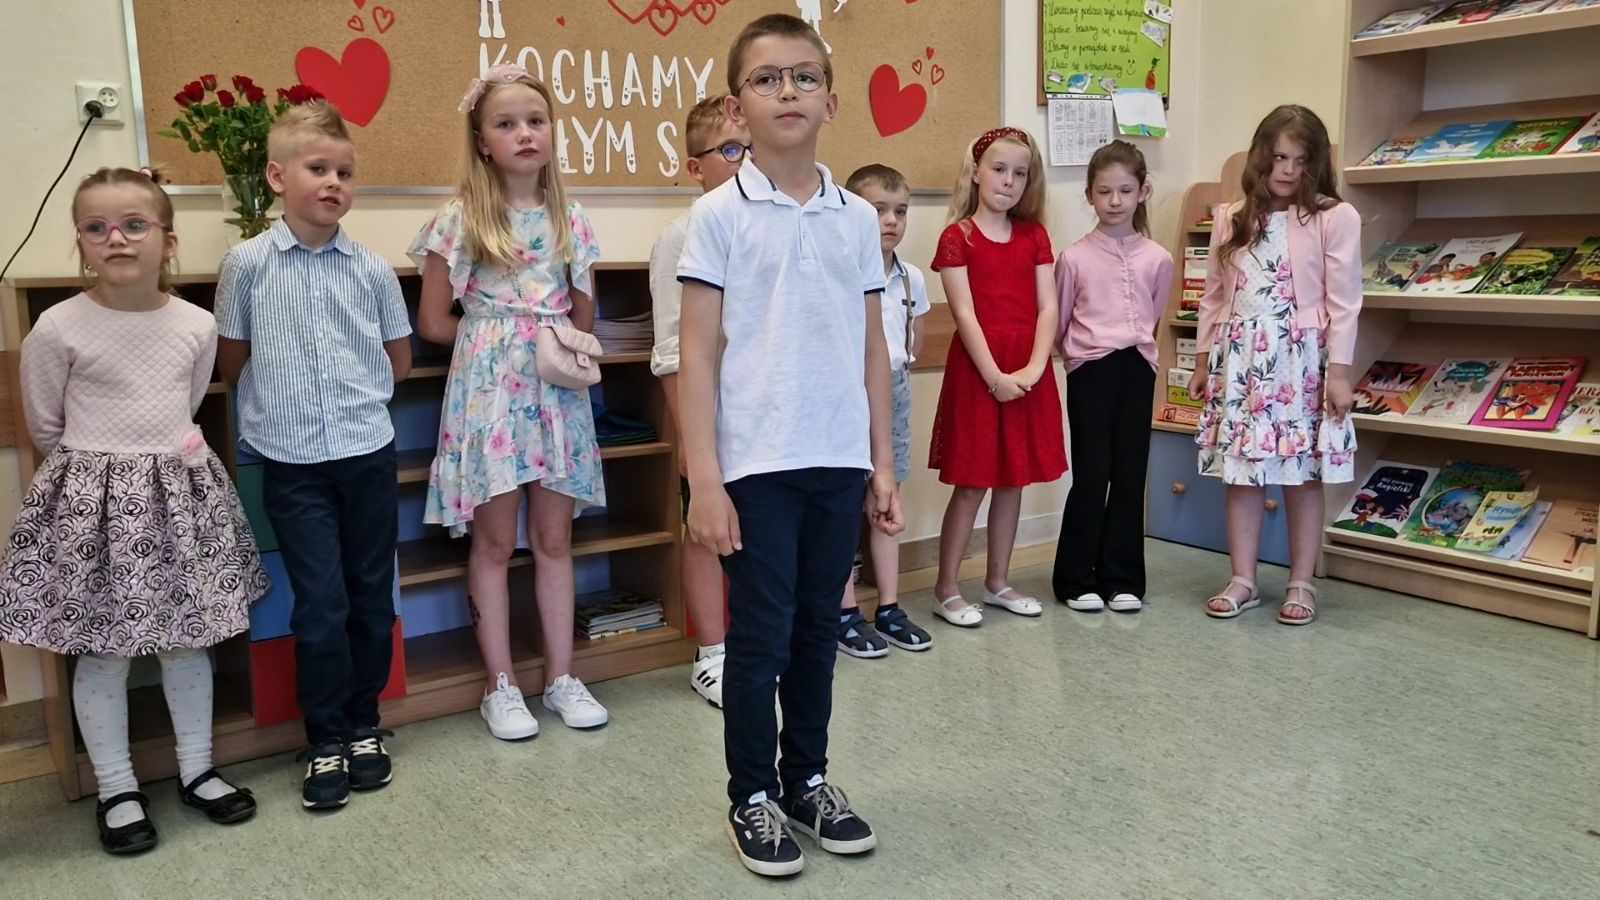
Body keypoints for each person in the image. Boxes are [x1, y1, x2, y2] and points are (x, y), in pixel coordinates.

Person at [677, 13, 903, 878]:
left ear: (830, 100)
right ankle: (752, 796)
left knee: (819, 628)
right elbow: (699, 352)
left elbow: (872, 347)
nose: (788, 92)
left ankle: (807, 779)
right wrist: (705, 479)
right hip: (755, 466)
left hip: (837, 458)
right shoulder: (716, 216)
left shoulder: (856, 219)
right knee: (761, 637)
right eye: (767, 79)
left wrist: (882, 463)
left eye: (805, 77)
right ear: (738, 107)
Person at [0, 167, 268, 853]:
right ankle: (116, 787)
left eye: (133, 225)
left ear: (167, 241)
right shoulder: (58, 326)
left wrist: (151, 465)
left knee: (188, 640)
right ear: (81, 243)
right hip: (93, 509)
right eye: (96, 228)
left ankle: (197, 769)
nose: (115, 238)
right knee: (103, 652)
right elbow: (45, 423)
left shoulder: (197, 324)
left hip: (179, 500)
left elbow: (188, 399)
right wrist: (107, 475)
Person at [216, 102, 413, 810]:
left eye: (345, 173)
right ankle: (325, 736)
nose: (334, 182)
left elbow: (397, 357)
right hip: (291, 463)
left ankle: (364, 725)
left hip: (366, 454)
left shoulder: (372, 269)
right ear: (277, 177)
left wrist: (359, 401)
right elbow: (233, 360)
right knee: (321, 605)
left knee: (370, 598)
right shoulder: (246, 265)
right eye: (318, 168)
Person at [410, 65, 610, 740]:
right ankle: (500, 684)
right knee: (494, 542)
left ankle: (561, 677)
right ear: (482, 141)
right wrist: (498, 339)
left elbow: (584, 312)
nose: (525, 133)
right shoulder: (460, 219)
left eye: (536, 120)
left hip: (556, 393)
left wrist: (539, 339)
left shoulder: (571, 219)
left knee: (555, 538)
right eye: (506, 123)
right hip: (490, 395)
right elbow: (433, 320)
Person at [1188, 104, 1361, 626]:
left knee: (1301, 476)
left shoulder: (1334, 217)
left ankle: (1301, 582)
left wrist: (1339, 373)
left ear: (1316, 165)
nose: (1288, 170)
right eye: (1279, 158)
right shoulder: (1231, 217)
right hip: (1241, 360)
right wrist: (1202, 362)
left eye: (1301, 161)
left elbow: (1344, 301)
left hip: (1301, 362)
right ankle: (1243, 579)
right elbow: (1213, 297)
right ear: (1261, 157)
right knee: (1242, 474)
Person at [927, 126, 1067, 628]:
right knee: (972, 483)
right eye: (999, 169)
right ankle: (946, 588)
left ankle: (997, 582)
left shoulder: (1034, 236)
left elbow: (1048, 306)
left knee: (1013, 481)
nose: (1009, 181)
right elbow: (964, 314)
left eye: (1020, 173)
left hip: (1027, 370)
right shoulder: (957, 237)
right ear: (977, 173)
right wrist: (994, 377)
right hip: (979, 372)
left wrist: (1034, 367)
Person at [649, 95, 750, 706]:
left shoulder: (771, 227)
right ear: (696, 167)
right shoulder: (680, 239)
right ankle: (712, 651)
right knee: (705, 531)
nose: (746, 163)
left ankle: (759, 642)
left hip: (764, 414)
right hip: (707, 415)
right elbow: (671, 351)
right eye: (732, 151)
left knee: (758, 530)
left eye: (754, 150)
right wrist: (691, 438)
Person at [1051, 140, 1173, 614]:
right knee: (1092, 473)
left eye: (1125, 190)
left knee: (1129, 473)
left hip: (1137, 367)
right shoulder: (1074, 258)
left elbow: (1154, 315)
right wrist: (1079, 360)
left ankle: (1122, 578)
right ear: (1089, 195)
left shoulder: (1158, 258)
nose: (1115, 201)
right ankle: (1075, 578)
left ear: (1143, 191)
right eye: (1104, 192)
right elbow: (1060, 320)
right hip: (1090, 370)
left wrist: (1138, 354)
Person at [836, 163, 934, 658]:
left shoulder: (911, 279)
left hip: (893, 390)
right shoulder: (841, 272)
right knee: (842, 502)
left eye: (900, 211)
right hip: (846, 392)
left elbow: (914, 343)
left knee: (887, 497)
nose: (891, 221)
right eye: (878, 210)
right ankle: (844, 611)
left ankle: (890, 606)